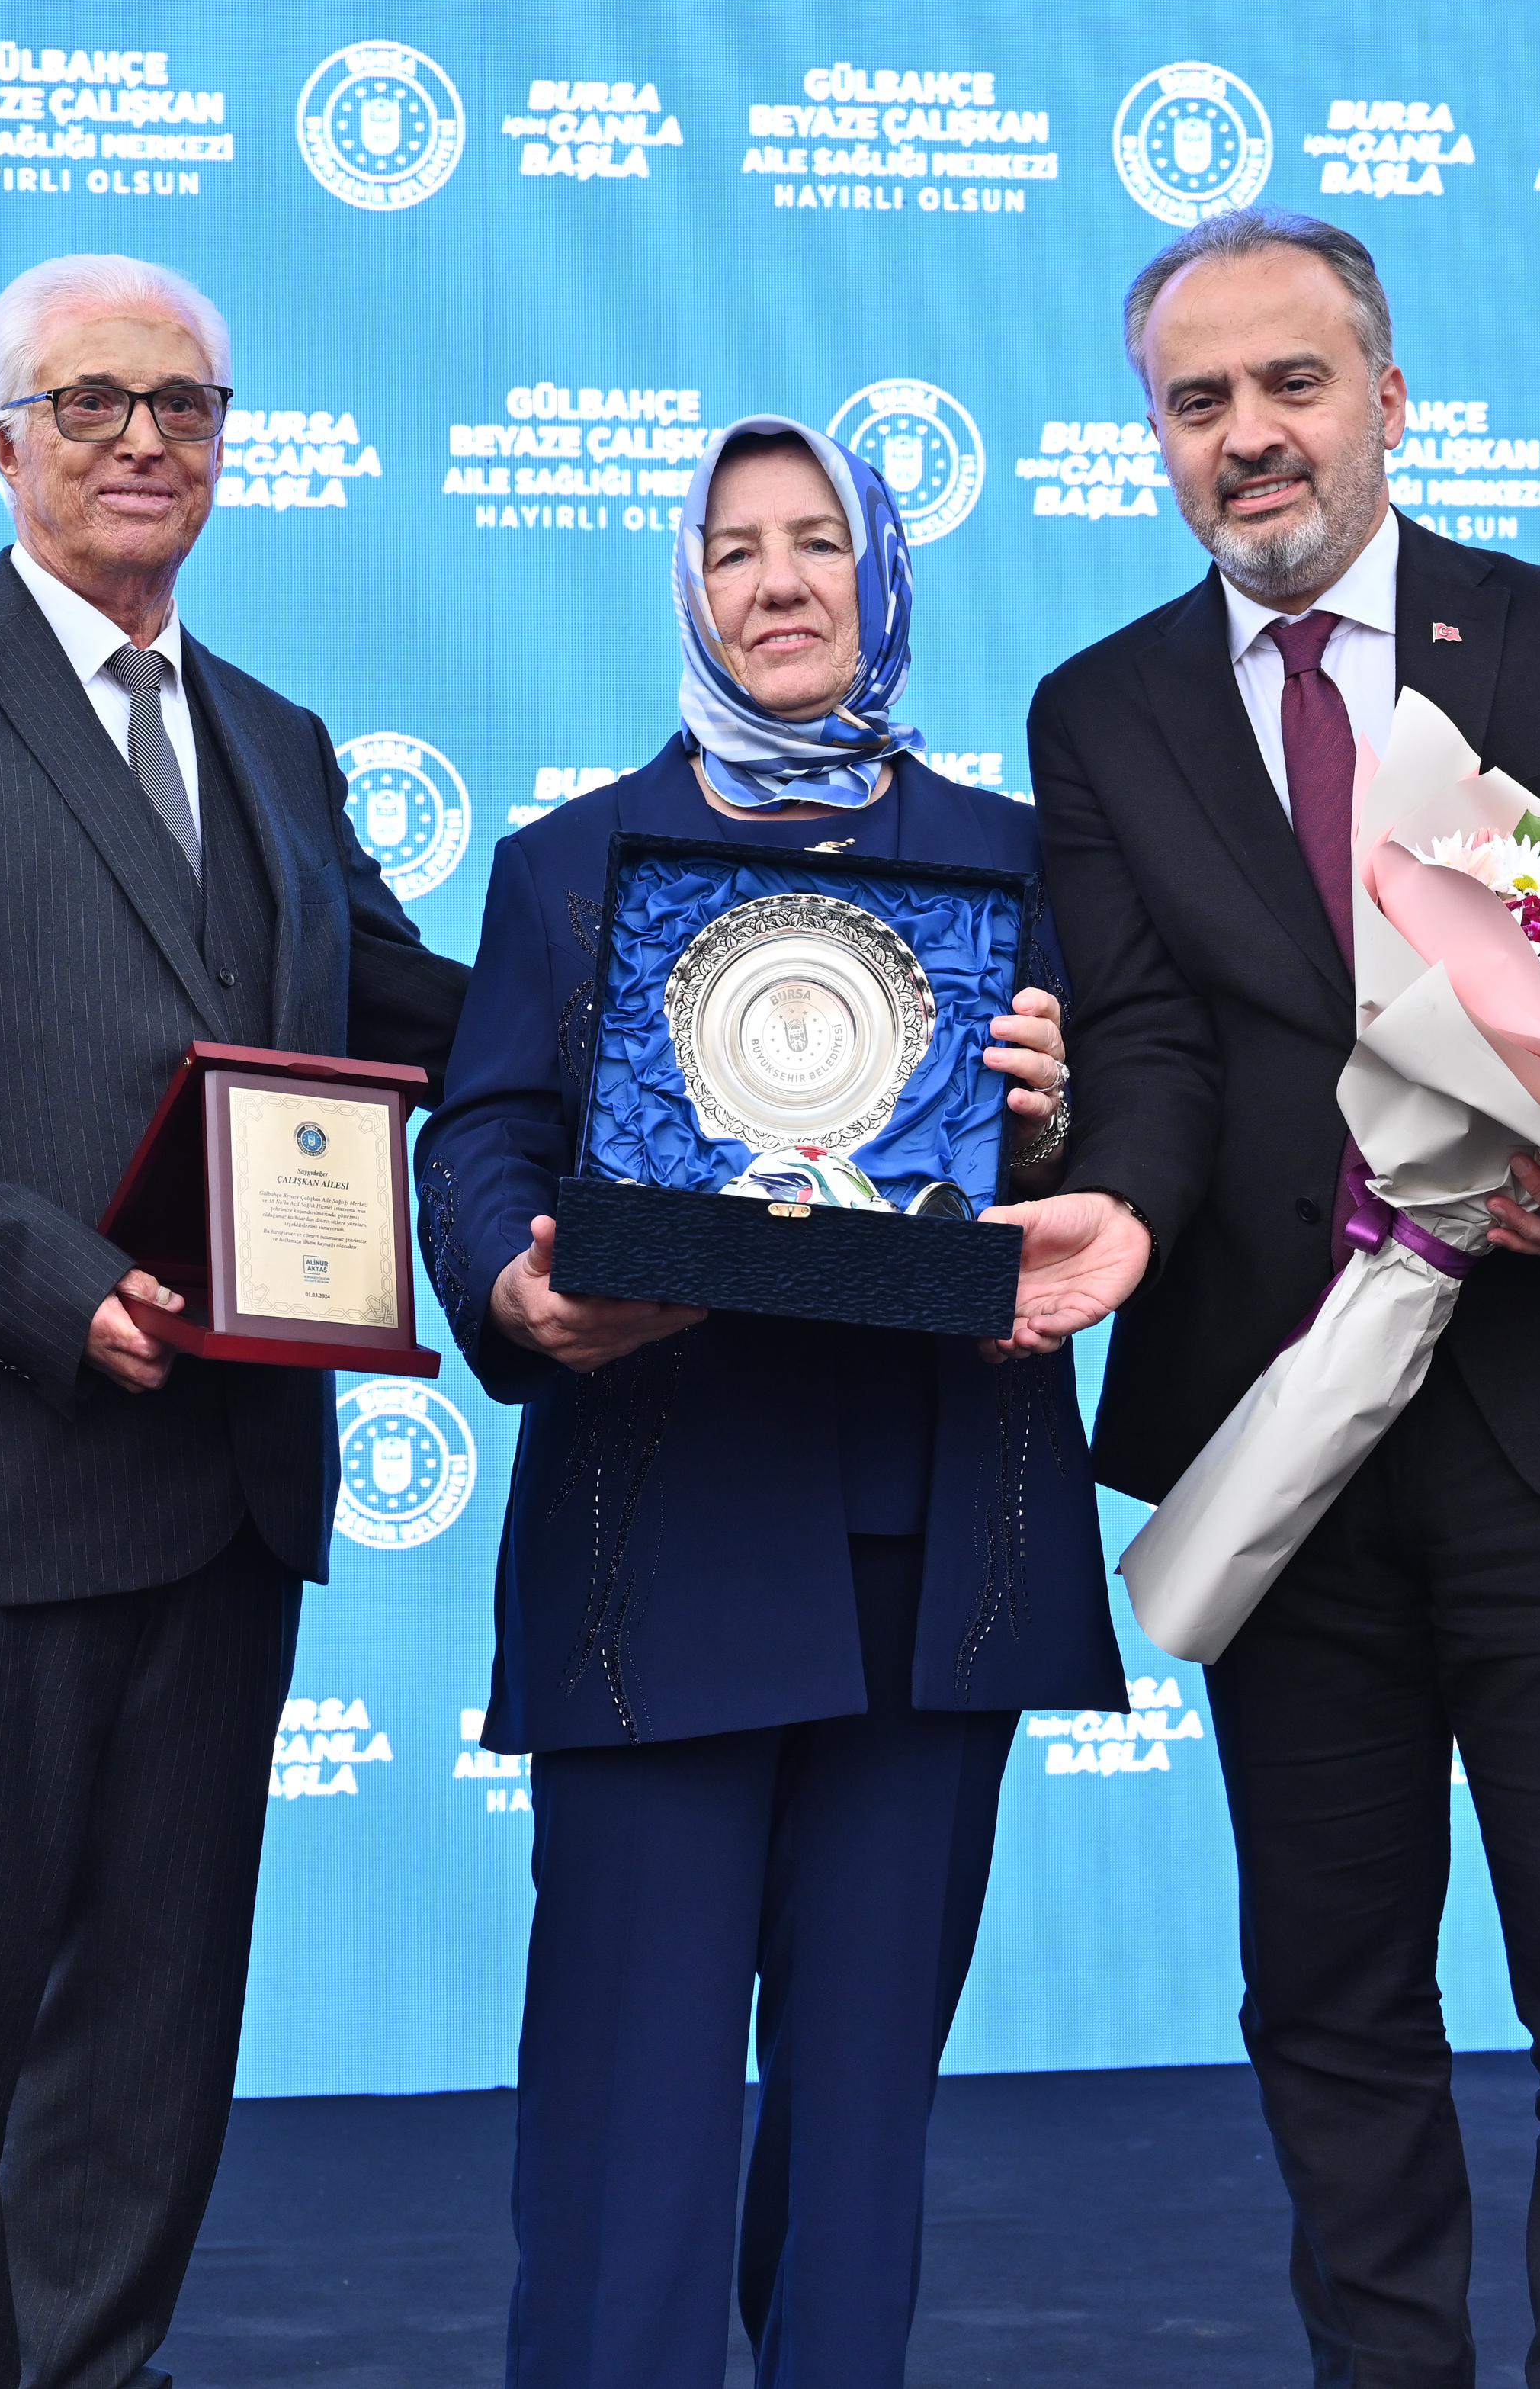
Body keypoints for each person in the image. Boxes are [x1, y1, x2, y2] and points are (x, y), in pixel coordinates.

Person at [1004, 207, 1540, 2387]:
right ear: (1156, 437)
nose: (1248, 434)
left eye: (1291, 382)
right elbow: (1148, 1045)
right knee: (1329, 1989)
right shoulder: (1103, 708)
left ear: (1389, 400)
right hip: (1282, 1440)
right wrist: (1116, 1212)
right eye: (1198, 401)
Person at [0, 252, 468, 2389]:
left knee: (150, 2055)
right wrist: (55, 1285)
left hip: (224, 1491)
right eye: (92, 400)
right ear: (3, 442)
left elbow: (405, 1011)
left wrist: (704, 1016)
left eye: (186, 403)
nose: (144, 438)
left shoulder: (278, 739)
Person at [415, 418, 1128, 2388]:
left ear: (883, 576)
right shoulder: (566, 867)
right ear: (690, 589)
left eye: (820, 541)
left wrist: (1057, 1120)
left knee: (863, 2112)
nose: (780, 581)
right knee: (627, 2105)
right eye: (734, 549)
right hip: (663, 1535)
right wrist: (511, 1283)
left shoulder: (1016, 859)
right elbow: (480, 1134)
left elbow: (1113, 1149)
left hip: (934, 1549)